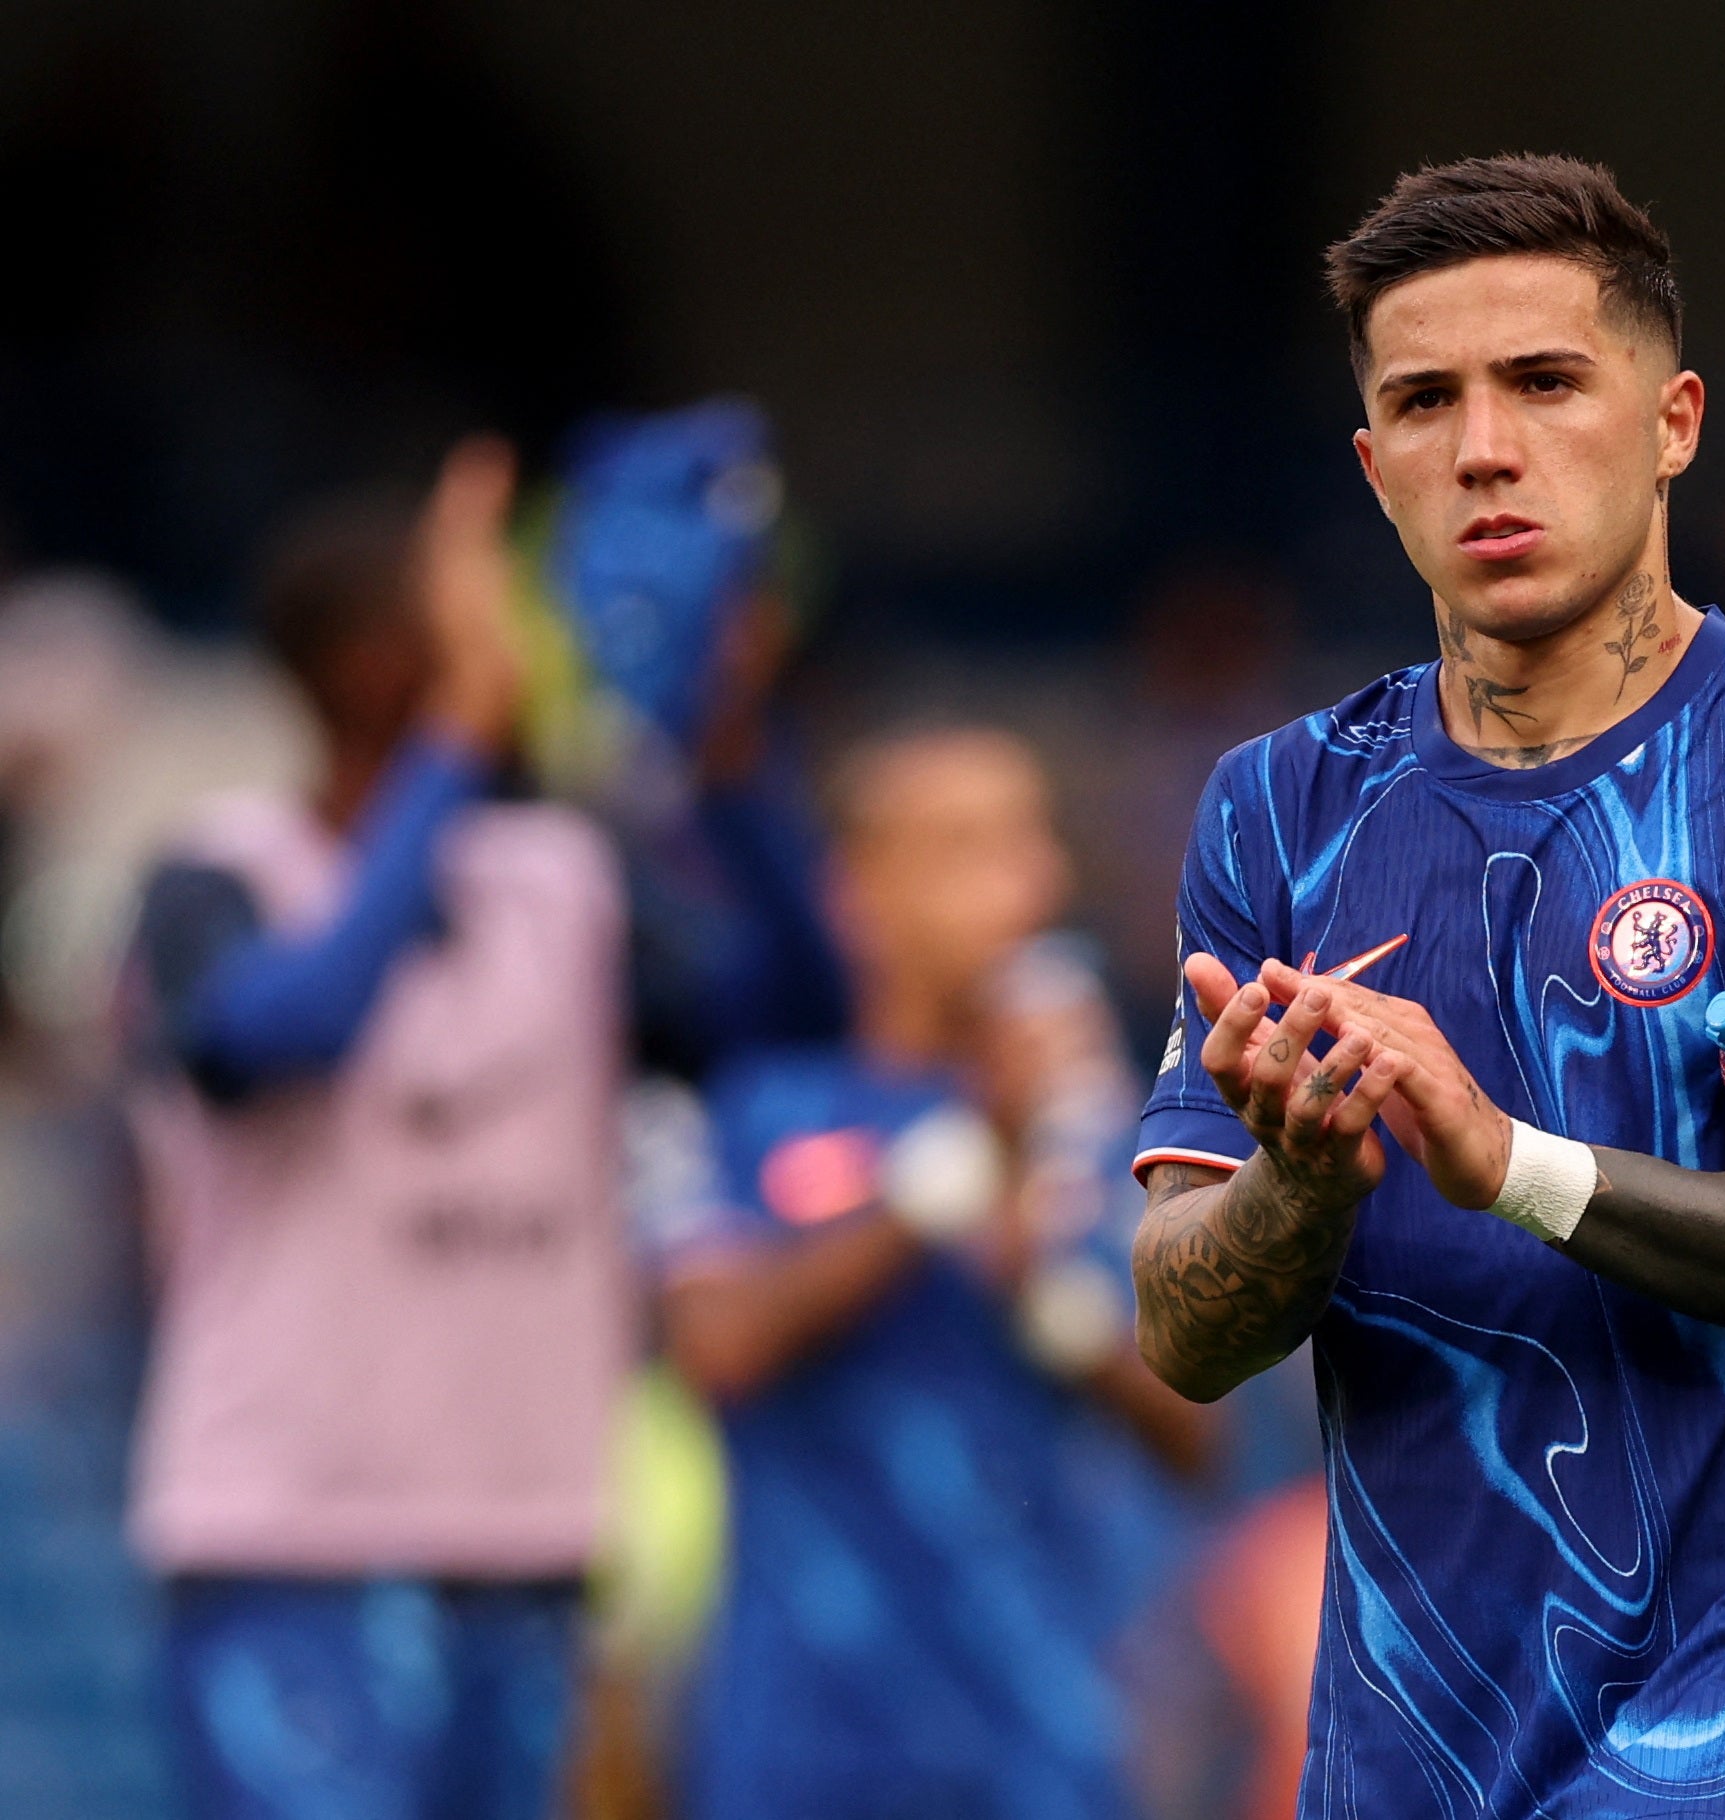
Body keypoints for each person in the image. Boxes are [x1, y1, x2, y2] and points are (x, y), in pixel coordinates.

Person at [1131, 155, 1725, 1817]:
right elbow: (1183, 1330)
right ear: (1374, 464)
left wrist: (1512, 1168)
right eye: (1426, 401)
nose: (1485, 446)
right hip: (1406, 1752)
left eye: (1545, 381)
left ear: (1675, 419)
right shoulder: (1277, 807)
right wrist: (1303, 1186)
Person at [122, 440, 632, 1819]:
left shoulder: (566, 874)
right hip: (290, 1534)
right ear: (363, 658)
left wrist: (704, 714)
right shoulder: (214, 873)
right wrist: (463, 738)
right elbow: (285, 1030)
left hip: (522, 1531)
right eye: (459, 616)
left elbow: (792, 991)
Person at [644, 725, 1210, 1820]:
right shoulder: (757, 1115)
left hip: (1040, 1739)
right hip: (808, 1736)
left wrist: (1045, 1292)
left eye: (1030, 841)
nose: (1025, 882)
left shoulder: (1108, 1144)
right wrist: (953, 1168)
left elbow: (1196, 1431)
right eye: (964, 846)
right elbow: (717, 1345)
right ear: (853, 894)